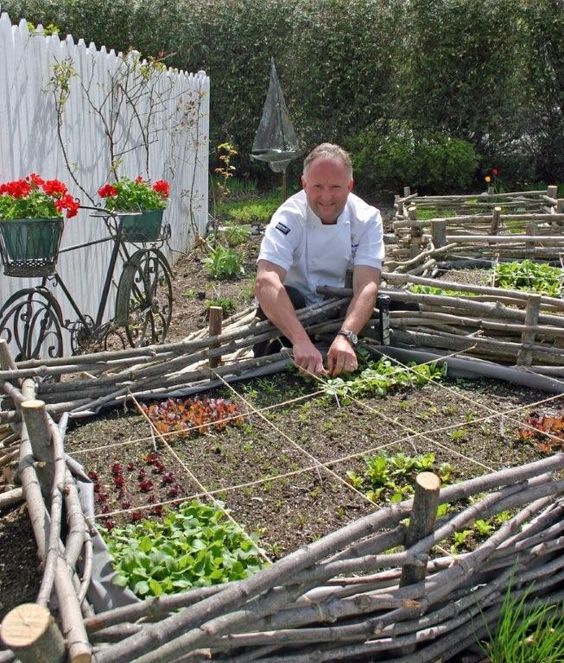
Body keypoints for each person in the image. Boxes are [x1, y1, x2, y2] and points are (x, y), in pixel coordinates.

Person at [254, 143, 384, 377]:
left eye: (335, 187)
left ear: (350, 186)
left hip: (338, 309)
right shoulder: (288, 217)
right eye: (317, 186)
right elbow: (266, 280)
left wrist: (346, 336)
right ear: (304, 185)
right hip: (293, 312)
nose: (326, 197)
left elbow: (366, 285)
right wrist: (300, 341)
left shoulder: (367, 218)